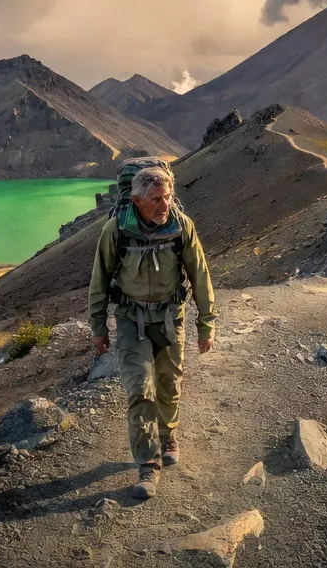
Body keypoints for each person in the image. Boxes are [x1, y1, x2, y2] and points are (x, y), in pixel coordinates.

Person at [87, 165, 215, 499]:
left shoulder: (181, 227)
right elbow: (99, 280)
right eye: (156, 199)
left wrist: (206, 323)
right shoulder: (115, 231)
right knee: (140, 391)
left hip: (171, 319)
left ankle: (168, 433)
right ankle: (148, 464)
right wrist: (98, 326)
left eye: (168, 197)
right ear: (137, 200)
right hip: (131, 321)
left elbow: (200, 275)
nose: (164, 205)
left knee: (169, 384)